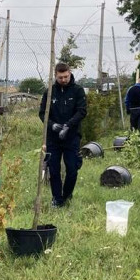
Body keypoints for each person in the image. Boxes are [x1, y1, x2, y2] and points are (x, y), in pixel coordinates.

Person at [38, 61, 87, 207]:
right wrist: (53, 125)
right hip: (53, 137)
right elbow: (42, 113)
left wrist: (68, 126)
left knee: (72, 168)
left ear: (70, 74)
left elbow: (82, 111)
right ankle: (57, 199)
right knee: (53, 169)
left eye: (66, 76)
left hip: (72, 136)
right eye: (60, 77)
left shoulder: (78, 91)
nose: (63, 80)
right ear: (55, 76)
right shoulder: (49, 92)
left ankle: (66, 196)